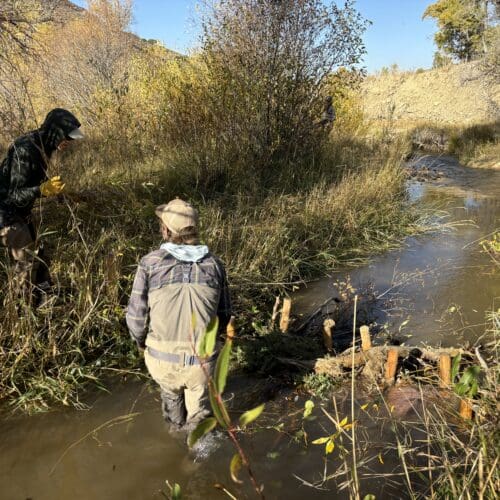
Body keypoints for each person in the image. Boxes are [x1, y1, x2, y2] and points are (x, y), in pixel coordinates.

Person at [126, 198, 231, 430]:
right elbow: (224, 316)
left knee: (172, 410)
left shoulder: (149, 263)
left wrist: (142, 344)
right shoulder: (215, 265)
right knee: (199, 426)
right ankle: (194, 462)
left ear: (166, 230)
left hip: (161, 362)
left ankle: (175, 435)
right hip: (202, 365)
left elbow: (136, 320)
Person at [0, 108, 84, 301]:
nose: (69, 143)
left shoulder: (44, 144)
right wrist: (41, 190)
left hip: (21, 209)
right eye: (67, 138)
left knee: (39, 248)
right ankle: (23, 304)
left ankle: (43, 291)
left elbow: (33, 176)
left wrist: (63, 193)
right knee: (25, 255)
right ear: (55, 132)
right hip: (5, 211)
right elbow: (14, 194)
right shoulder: (25, 149)